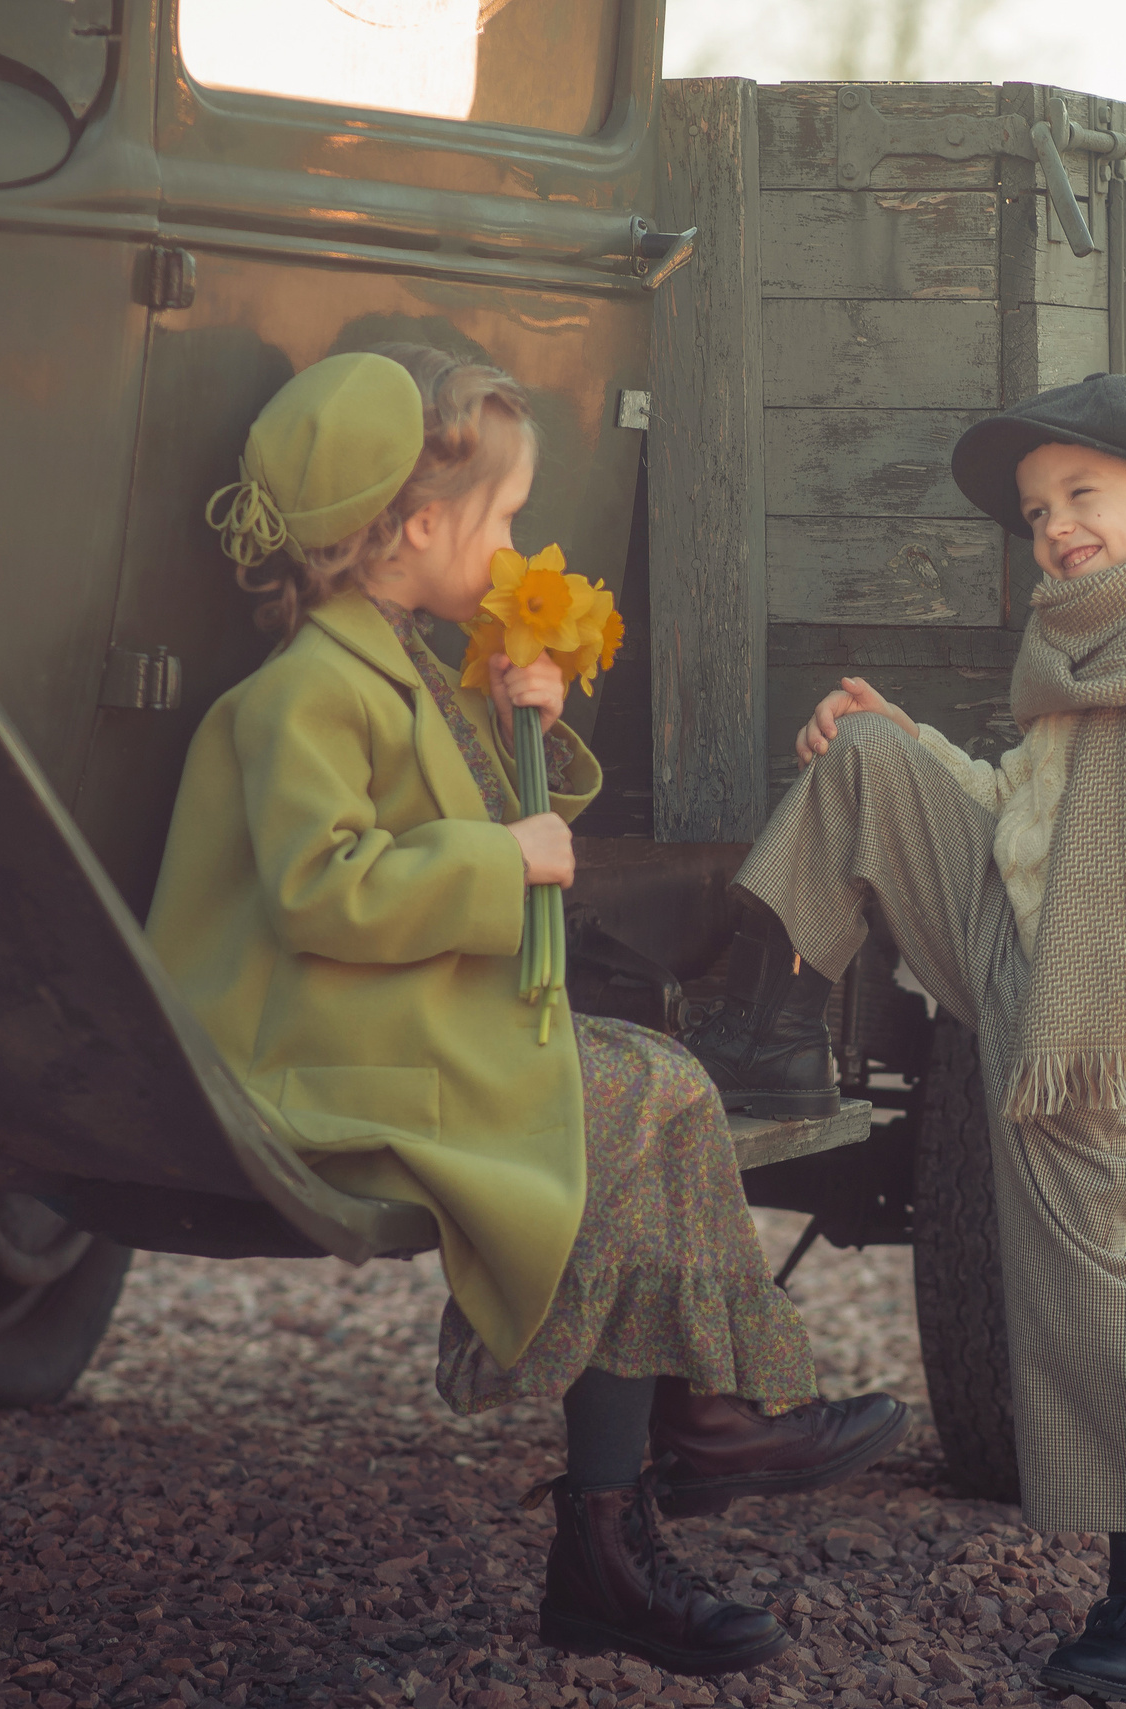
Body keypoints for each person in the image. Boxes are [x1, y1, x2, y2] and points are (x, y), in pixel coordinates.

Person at [145, 347, 907, 1679]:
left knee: (655, 1082)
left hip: (374, 1023)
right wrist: (508, 857)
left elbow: (476, 832)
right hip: (298, 1046)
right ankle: (668, 1471)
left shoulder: (399, 662)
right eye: (498, 520)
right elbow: (328, 892)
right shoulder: (305, 692)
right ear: (418, 525)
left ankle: (670, 1465)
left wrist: (522, 722)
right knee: (629, 1093)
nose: (508, 550)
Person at [688, 372, 1126, 1701]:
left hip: (1086, 1017)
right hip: (1012, 942)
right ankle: (773, 1036)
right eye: (1038, 511)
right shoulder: (1082, 647)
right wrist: (904, 747)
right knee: (862, 751)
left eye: (1082, 495)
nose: (1056, 530)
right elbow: (1013, 822)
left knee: (1081, 1295)